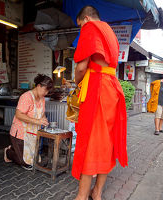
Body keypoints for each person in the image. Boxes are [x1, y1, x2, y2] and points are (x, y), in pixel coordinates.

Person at [72, 6, 128, 200]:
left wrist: (76, 81)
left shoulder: (91, 27)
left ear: (86, 18)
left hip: (97, 88)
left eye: (80, 26)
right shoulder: (109, 31)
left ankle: (82, 195)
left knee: (90, 140)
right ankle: (97, 192)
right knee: (106, 141)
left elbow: (81, 66)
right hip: (112, 88)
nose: (81, 30)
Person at [4, 74, 53, 170]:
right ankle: (8, 152)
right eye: (45, 90)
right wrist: (37, 121)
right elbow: (19, 114)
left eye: (48, 91)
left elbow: (42, 113)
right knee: (24, 162)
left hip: (32, 134)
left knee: (35, 161)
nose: (46, 93)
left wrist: (43, 120)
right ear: (39, 86)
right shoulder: (26, 97)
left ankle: (15, 148)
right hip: (20, 134)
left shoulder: (42, 99)